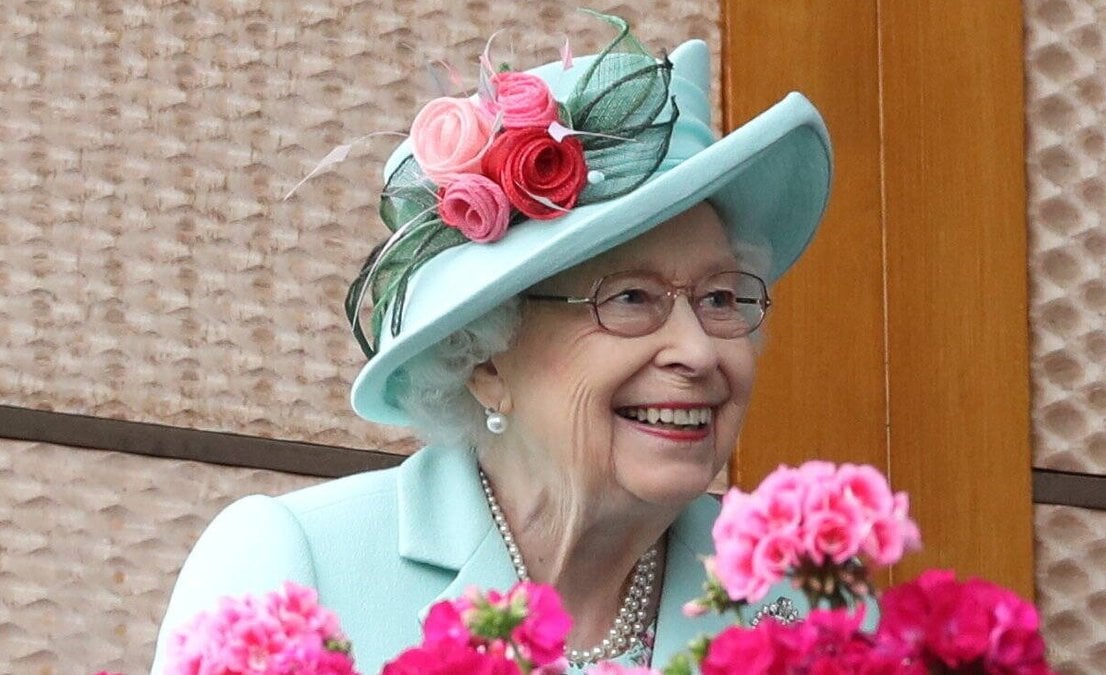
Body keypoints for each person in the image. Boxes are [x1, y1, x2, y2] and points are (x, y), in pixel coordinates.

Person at [152, 13, 842, 673]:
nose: (697, 352)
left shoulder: (805, 604)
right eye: (630, 299)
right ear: (483, 355)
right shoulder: (299, 566)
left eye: (720, 299)